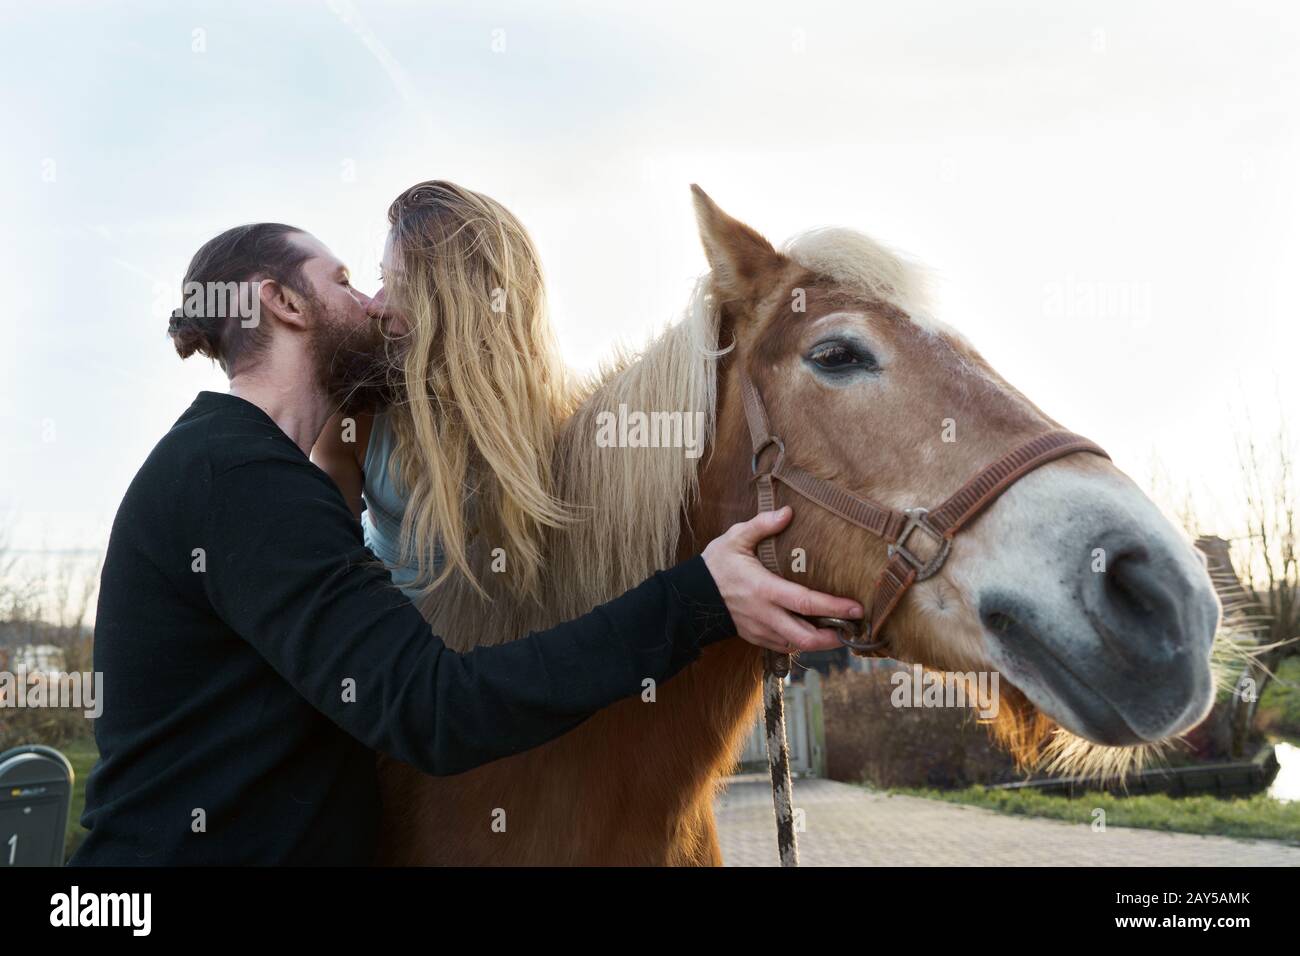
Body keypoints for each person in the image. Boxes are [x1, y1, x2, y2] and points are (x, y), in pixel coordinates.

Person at [70, 221, 861, 865]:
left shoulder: (268, 478)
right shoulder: (235, 479)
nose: (371, 301)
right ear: (283, 302)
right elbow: (433, 708)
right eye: (344, 279)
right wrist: (698, 598)